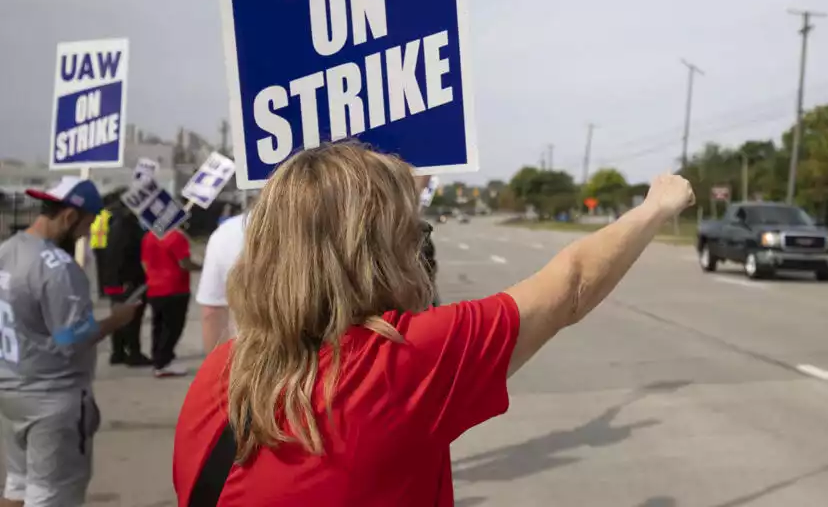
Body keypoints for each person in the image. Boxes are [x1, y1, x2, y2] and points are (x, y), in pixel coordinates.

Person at [172, 142, 692, 506]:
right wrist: (656, 207)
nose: (417, 246)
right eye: (412, 232)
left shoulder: (218, 374)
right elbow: (572, 284)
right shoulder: (395, 366)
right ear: (374, 251)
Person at [0, 177, 143, 507]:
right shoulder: (58, 267)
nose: (85, 234)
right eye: (87, 224)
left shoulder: (6, 251)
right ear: (69, 217)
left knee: (17, 484)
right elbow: (73, 339)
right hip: (52, 398)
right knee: (52, 494)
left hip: (11, 391)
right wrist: (117, 320)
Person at [141, 223, 200, 378]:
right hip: (175, 288)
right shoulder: (176, 237)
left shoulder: (149, 236)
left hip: (155, 288)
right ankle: (163, 362)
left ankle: (158, 357)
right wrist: (202, 267)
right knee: (173, 327)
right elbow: (184, 263)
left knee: (158, 326)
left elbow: (145, 263)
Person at [195, 198, 250, 354]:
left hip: (247, 362)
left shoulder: (229, 231)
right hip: (319, 368)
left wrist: (216, 374)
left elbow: (212, 313)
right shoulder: (323, 223)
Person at [102, 204, 149, 366]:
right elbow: (129, 254)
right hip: (129, 280)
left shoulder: (114, 224)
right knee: (132, 317)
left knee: (119, 315)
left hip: (114, 280)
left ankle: (118, 351)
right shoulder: (129, 227)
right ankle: (133, 353)